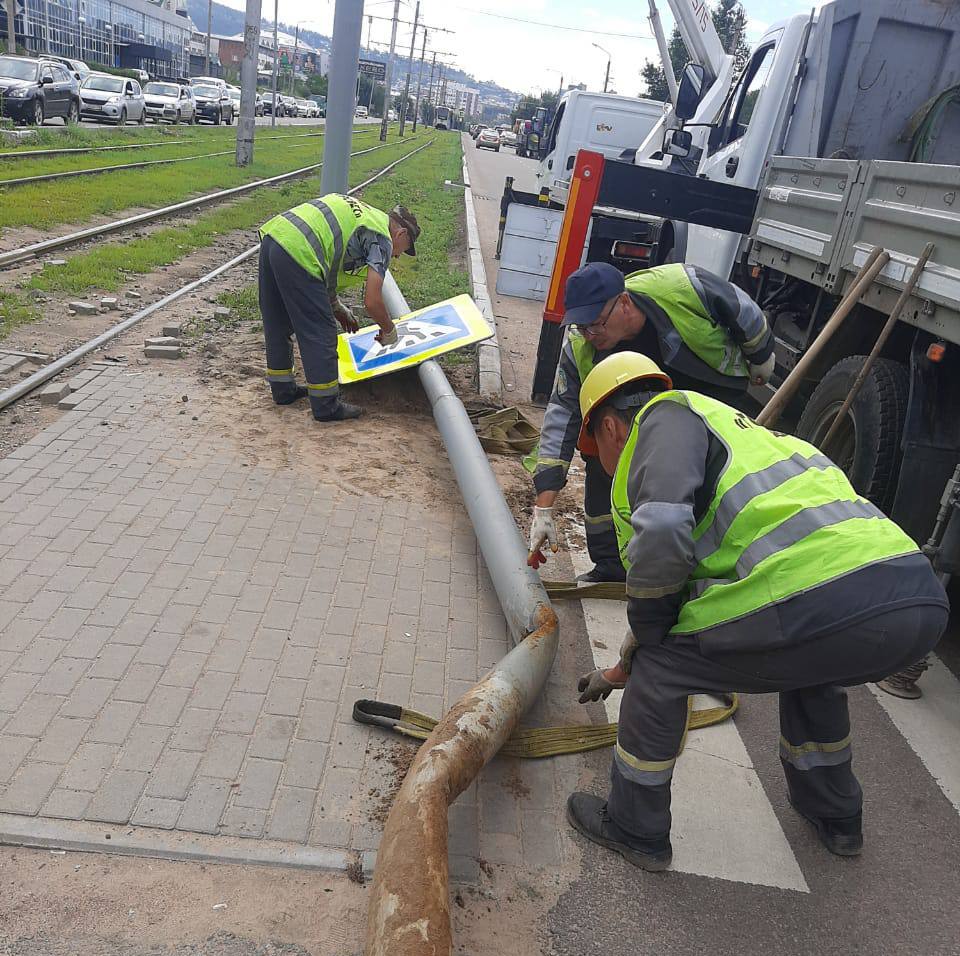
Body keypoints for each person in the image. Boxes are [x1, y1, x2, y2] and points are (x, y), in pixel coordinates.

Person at [566, 352, 949, 870]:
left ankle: (635, 827)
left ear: (610, 427)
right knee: (812, 672)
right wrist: (616, 669)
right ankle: (838, 819)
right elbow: (680, 596)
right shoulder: (748, 437)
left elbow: (659, 536)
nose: (605, 466)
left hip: (819, 594)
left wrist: (647, 637)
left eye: (597, 453)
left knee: (660, 672)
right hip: (912, 594)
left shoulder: (665, 418)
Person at [528, 261, 775, 582]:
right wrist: (544, 507)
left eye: (596, 325)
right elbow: (561, 416)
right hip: (632, 409)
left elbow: (743, 310)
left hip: (705, 387)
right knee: (599, 453)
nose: (589, 335)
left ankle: (713, 562)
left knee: (709, 473)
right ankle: (612, 567)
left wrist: (761, 355)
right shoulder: (580, 348)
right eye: (581, 327)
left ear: (625, 304)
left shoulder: (680, 286)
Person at [258, 194, 421, 422]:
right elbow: (373, 301)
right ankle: (326, 405)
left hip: (276, 237)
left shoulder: (365, 215)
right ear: (401, 234)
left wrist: (337, 308)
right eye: (403, 250)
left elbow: (327, 257)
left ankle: (283, 390)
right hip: (300, 251)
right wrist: (389, 330)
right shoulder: (381, 238)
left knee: (278, 322)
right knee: (320, 332)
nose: (397, 255)